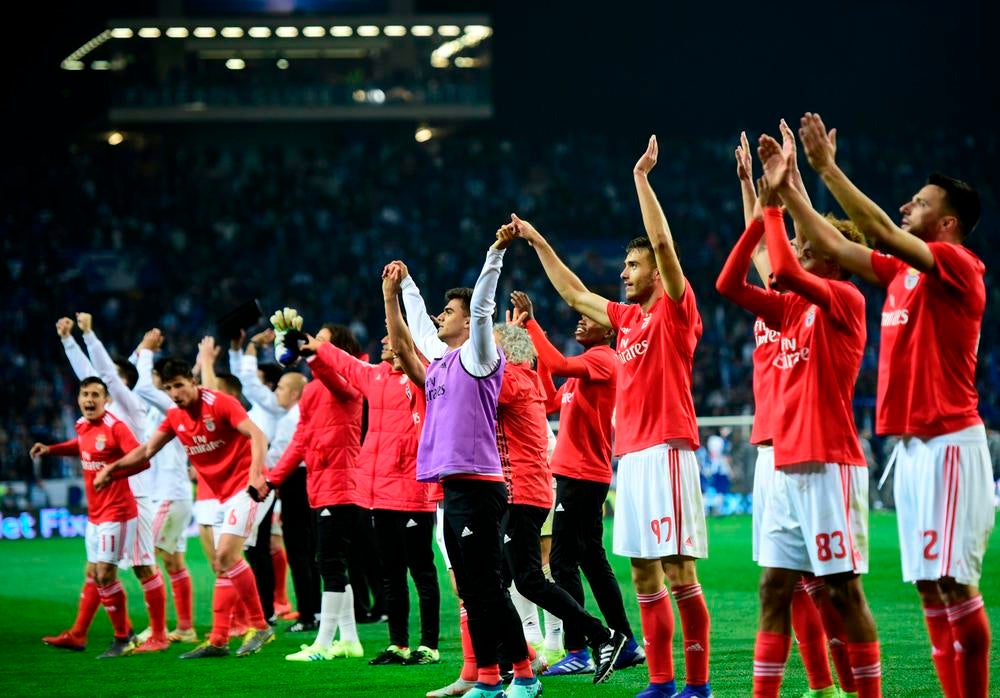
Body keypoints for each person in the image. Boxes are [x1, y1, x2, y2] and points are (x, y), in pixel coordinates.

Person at [797, 112, 992, 698]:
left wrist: (828, 170)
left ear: (948, 221)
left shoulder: (957, 264)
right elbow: (833, 245)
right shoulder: (904, 277)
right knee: (929, 588)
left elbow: (877, 229)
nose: (907, 205)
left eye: (919, 201)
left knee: (955, 585)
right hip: (910, 446)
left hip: (949, 441)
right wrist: (788, 193)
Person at [513, 136, 711, 698]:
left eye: (632, 264)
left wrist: (642, 180)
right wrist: (536, 239)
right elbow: (575, 293)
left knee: (678, 576)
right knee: (644, 576)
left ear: (653, 268)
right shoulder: (624, 322)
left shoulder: (674, 308)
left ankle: (697, 688)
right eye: (624, 264)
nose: (624, 273)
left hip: (668, 449)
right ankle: (661, 682)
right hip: (632, 458)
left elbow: (666, 246)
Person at [719, 131, 882, 696]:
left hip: (827, 459)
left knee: (839, 590)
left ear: (833, 254)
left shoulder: (844, 300)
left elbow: (784, 263)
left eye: (810, 242)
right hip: (780, 457)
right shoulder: (785, 302)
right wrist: (757, 192)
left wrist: (780, 192)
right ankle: (814, 687)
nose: (798, 244)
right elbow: (749, 270)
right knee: (777, 589)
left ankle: (847, 687)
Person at [384, 224, 543, 698]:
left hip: (480, 483)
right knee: (470, 592)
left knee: (488, 588)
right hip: (452, 486)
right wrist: (394, 294)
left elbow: (480, 308)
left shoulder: (479, 358)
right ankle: (490, 680)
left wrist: (495, 252)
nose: (439, 317)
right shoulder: (437, 367)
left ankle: (526, 676)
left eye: (445, 312)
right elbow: (406, 339)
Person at [94, 357, 275, 659]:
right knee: (223, 563)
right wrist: (112, 469)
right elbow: (146, 451)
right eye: (169, 388)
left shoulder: (220, 403)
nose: (175, 393)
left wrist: (257, 474)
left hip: (251, 486)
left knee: (226, 555)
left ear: (192, 381)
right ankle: (218, 639)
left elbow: (257, 434)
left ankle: (259, 625)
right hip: (222, 495)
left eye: (179, 385)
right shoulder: (174, 416)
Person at [298, 328, 440, 667]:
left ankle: (429, 645)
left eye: (389, 336)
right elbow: (344, 364)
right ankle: (398, 645)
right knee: (391, 573)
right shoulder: (375, 377)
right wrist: (317, 347)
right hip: (378, 493)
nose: (382, 341)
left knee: (421, 570)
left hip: (413, 490)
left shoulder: (425, 378)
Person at [56, 314, 169, 653]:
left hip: (135, 497)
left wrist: (88, 335)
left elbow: (104, 373)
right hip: (109, 503)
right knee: (96, 568)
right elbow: (90, 374)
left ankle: (159, 635)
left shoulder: (130, 407)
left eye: (110, 381)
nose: (98, 385)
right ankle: (79, 632)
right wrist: (68, 340)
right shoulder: (98, 414)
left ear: (119, 385)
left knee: (143, 566)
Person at [266, 322, 366, 659]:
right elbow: (302, 439)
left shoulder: (350, 381)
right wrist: (273, 478)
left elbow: (335, 380)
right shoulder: (310, 391)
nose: (314, 346)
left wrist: (313, 356)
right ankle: (350, 640)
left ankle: (323, 644)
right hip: (319, 485)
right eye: (313, 342)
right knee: (333, 562)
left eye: (322, 342)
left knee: (329, 563)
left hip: (343, 484)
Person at [34, 377, 144, 658]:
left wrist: (112, 472)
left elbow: (142, 459)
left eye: (96, 394)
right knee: (93, 573)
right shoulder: (83, 425)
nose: (89, 399)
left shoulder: (115, 427)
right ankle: (78, 634)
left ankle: (123, 637)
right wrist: (52, 450)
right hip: (95, 515)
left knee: (105, 575)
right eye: (85, 394)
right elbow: (82, 446)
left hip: (117, 513)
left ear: (106, 400)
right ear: (78, 398)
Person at [131, 329, 198, 644]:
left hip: (169, 495)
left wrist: (145, 351)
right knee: (173, 561)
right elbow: (135, 384)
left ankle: (157, 628)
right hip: (175, 492)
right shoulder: (164, 405)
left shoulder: (168, 403)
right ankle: (184, 628)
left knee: (145, 558)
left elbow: (141, 383)